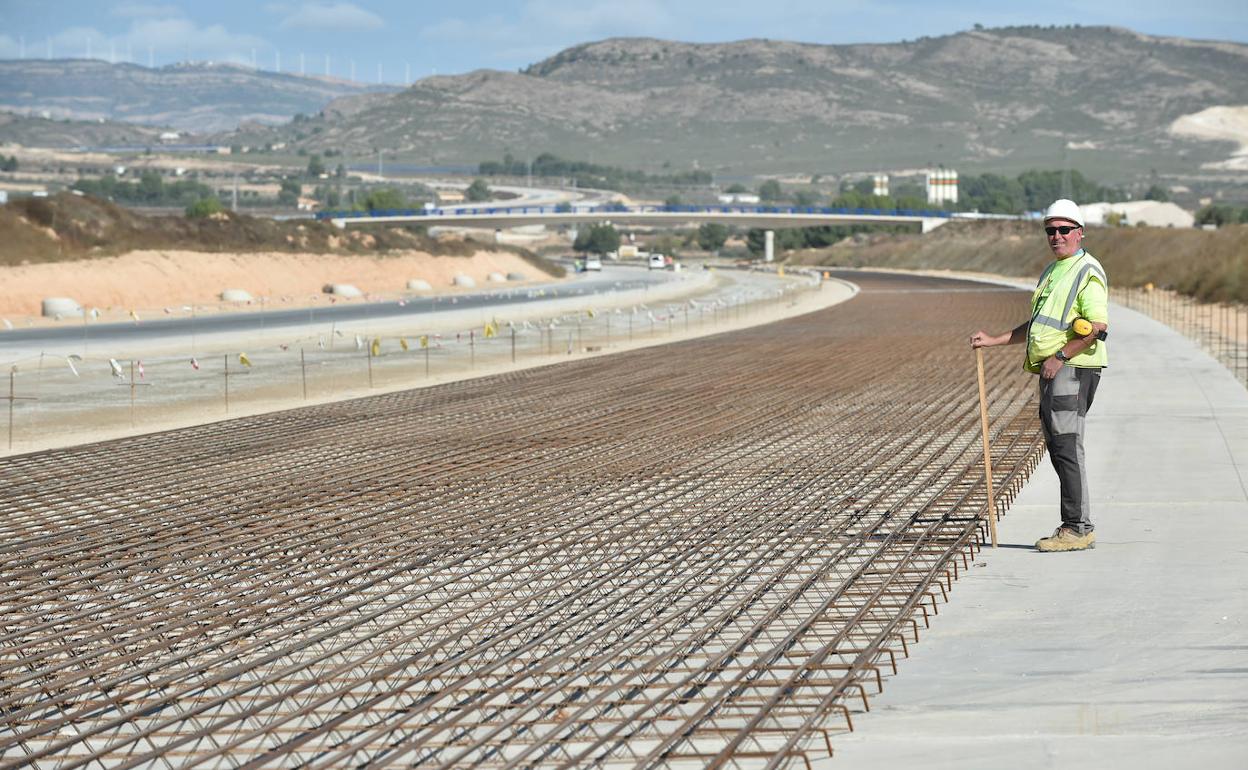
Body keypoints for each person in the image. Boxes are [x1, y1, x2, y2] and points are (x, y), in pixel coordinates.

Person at [970, 199, 1109, 552]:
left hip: (1072, 368)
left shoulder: (1086, 270)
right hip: (1056, 369)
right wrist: (995, 340)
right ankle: (1077, 524)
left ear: (1079, 233)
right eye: (1051, 230)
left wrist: (1060, 357)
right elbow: (1038, 325)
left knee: (1066, 445)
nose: (1057, 236)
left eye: (1064, 230)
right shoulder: (1053, 271)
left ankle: (1077, 528)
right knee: (1059, 444)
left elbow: (1097, 326)